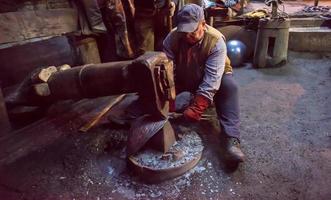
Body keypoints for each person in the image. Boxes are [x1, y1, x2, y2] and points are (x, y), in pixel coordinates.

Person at [163, 3, 245, 163]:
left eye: (192, 31)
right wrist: (168, 99)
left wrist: (198, 106)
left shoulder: (216, 41)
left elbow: (212, 80)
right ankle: (139, 114)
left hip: (212, 78)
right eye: (184, 32)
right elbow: (167, 73)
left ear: (203, 23)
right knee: (156, 96)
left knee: (230, 87)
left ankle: (231, 139)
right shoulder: (172, 38)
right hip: (185, 75)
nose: (187, 36)